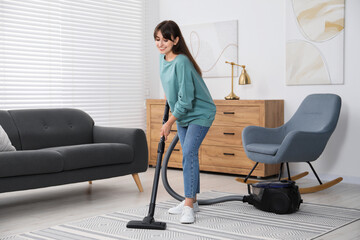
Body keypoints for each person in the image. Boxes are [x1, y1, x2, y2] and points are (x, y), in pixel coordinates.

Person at [154, 20, 216, 224]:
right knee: (189, 155)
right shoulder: (163, 59)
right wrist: (169, 101)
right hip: (183, 113)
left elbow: (187, 99)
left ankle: (188, 204)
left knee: (189, 153)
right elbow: (171, 85)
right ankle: (193, 200)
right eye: (157, 39)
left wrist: (170, 121)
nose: (160, 43)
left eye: (165, 39)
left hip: (200, 112)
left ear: (176, 40)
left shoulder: (182, 61)